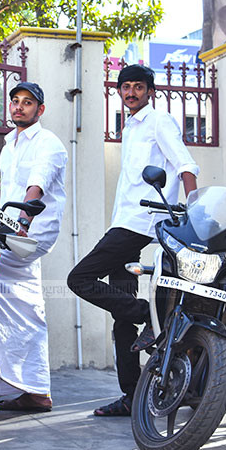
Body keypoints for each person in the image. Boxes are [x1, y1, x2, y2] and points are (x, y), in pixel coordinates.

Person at [67, 64, 198, 417]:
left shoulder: (159, 121)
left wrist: (193, 206)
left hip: (141, 223)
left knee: (79, 278)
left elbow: (185, 164)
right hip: (125, 218)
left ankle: (151, 315)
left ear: (150, 91)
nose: (130, 93)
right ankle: (131, 394)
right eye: (125, 87)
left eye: (138, 87)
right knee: (121, 320)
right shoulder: (131, 127)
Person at [0, 82, 68, 413]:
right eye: (15, 101)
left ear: (40, 109)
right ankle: (35, 391)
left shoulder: (49, 144)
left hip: (29, 233)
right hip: (9, 230)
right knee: (27, 309)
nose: (19, 107)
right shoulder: (9, 145)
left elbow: (37, 183)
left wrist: (23, 220)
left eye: (27, 103)